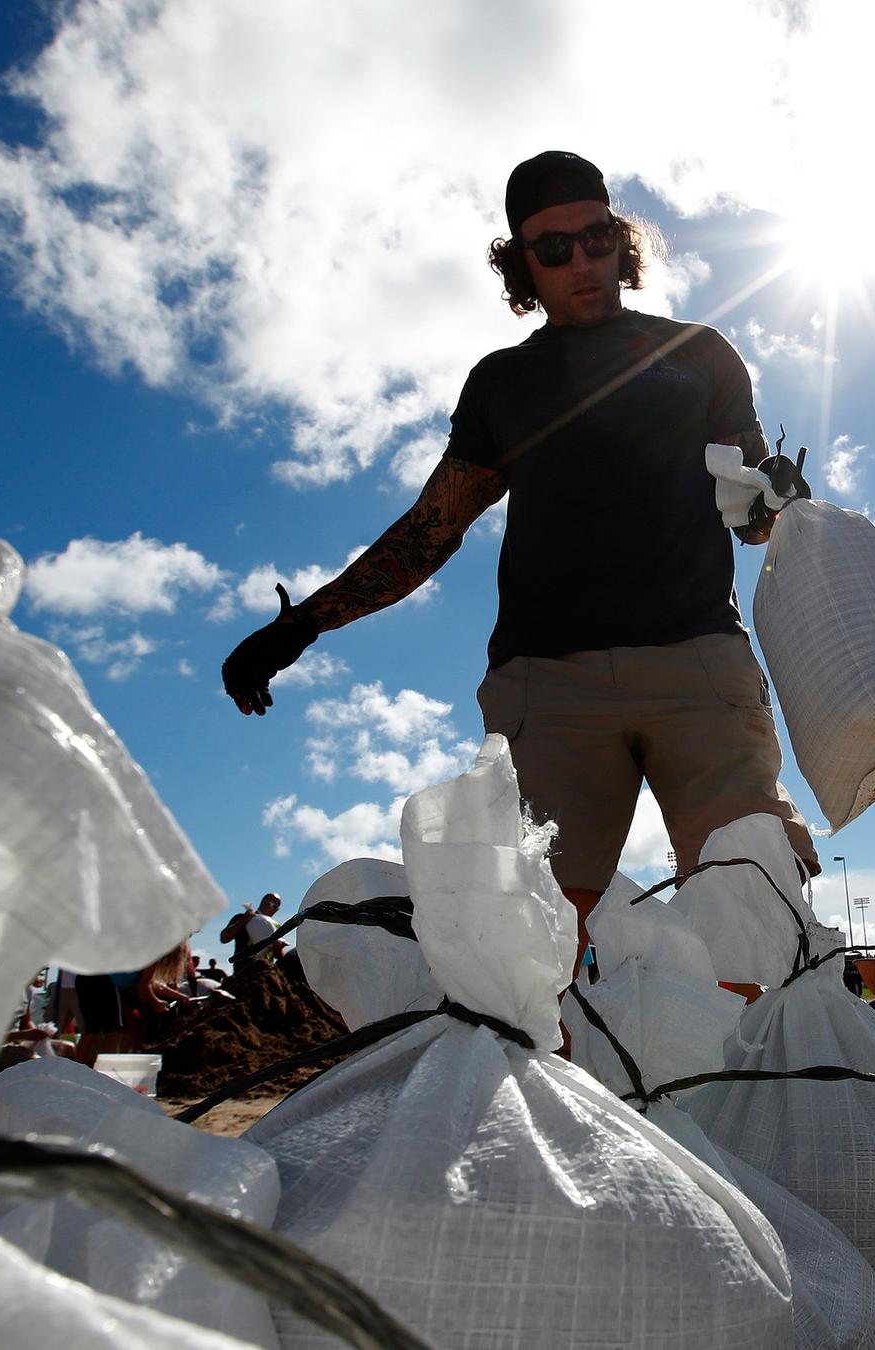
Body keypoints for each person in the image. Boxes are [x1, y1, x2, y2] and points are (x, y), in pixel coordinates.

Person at [223, 150, 819, 941]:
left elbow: (750, 518)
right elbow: (430, 530)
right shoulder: (502, 382)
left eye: (597, 236)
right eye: (553, 248)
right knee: (530, 946)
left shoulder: (699, 353)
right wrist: (302, 624)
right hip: (549, 684)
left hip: (698, 665)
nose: (582, 260)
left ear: (621, 240)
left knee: (757, 904)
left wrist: (775, 496)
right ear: (522, 266)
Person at [230, 892, 283, 968]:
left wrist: (278, 950)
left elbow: (280, 955)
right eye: (274, 906)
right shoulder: (241, 917)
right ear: (265, 903)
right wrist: (244, 920)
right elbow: (224, 938)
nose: (275, 910)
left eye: (277, 908)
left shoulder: (276, 926)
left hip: (267, 971)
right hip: (243, 971)